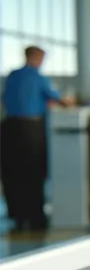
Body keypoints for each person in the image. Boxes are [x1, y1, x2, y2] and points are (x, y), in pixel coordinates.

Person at [0, 46, 63, 231]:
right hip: (31, 129)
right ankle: (35, 216)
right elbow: (56, 98)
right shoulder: (39, 78)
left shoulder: (12, 76)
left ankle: (18, 215)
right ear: (36, 58)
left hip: (9, 127)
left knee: (13, 172)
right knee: (34, 172)